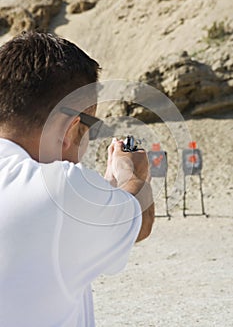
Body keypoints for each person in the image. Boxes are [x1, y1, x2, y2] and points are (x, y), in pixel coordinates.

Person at [0, 31, 154, 326]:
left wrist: (105, 191)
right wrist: (130, 172)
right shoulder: (59, 189)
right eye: (87, 127)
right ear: (71, 128)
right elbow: (140, 222)